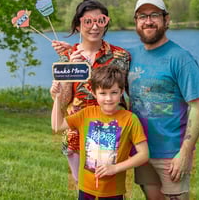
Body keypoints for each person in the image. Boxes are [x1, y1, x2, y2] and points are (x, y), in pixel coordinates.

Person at [128, 0, 199, 200]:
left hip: (171, 154)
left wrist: (185, 153)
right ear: (136, 22)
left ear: (166, 20)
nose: (148, 21)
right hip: (142, 150)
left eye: (154, 15)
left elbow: (198, 107)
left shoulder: (180, 58)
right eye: (142, 16)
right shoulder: (129, 56)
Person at [50, 0, 131, 184]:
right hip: (76, 134)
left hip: (111, 132)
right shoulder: (68, 57)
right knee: (83, 188)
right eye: (88, 21)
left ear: (106, 23)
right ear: (78, 25)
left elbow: (126, 96)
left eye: (100, 20)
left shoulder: (121, 57)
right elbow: (62, 102)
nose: (94, 26)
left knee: (110, 188)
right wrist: (70, 68)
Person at [51, 65, 148, 199]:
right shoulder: (86, 113)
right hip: (86, 188)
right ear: (93, 92)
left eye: (114, 92)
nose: (108, 98)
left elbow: (144, 155)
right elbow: (58, 125)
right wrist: (57, 98)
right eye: (103, 93)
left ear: (121, 92)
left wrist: (115, 168)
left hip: (113, 192)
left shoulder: (130, 120)